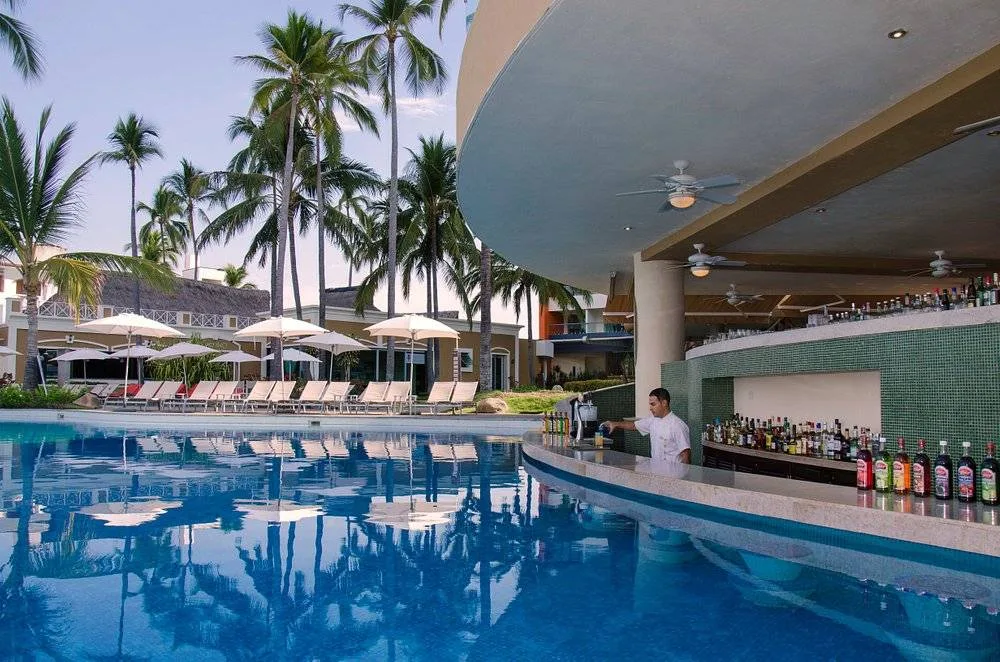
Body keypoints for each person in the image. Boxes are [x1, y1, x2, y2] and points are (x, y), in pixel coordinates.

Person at [603, 388, 691, 464]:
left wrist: (684, 476)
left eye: (653, 404)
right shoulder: (653, 420)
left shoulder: (677, 425)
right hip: (656, 471)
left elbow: (685, 454)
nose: (650, 408)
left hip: (673, 474)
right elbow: (633, 425)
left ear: (664, 403)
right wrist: (615, 424)